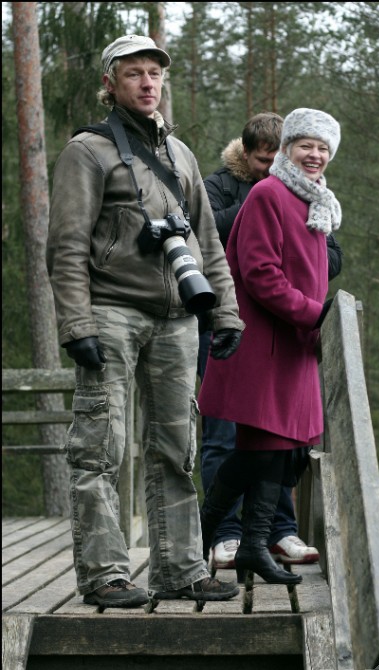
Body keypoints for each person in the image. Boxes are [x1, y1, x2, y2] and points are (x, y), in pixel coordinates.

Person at [46, 34, 245, 608]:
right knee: (101, 447)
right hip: (110, 312)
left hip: (177, 320)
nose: (148, 83)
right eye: (134, 73)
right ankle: (106, 574)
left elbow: (208, 243)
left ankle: (180, 571)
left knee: (177, 447)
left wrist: (224, 312)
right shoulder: (88, 152)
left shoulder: (180, 155)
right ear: (110, 83)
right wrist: (75, 324)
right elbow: (65, 245)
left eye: (155, 73)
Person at [198, 107, 342, 585]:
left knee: (278, 449)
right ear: (287, 149)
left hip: (295, 343)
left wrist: (311, 320)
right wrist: (314, 313)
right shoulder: (268, 193)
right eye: (306, 146)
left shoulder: (316, 202)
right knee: (259, 449)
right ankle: (205, 532)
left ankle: (254, 547)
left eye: (323, 148)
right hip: (264, 342)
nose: (315, 155)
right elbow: (258, 273)